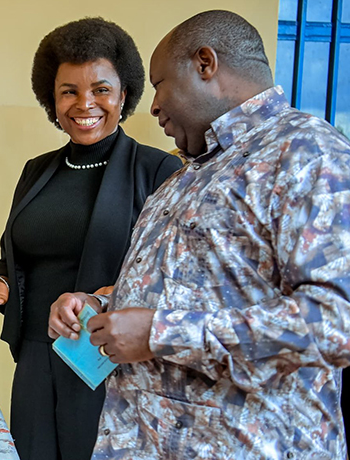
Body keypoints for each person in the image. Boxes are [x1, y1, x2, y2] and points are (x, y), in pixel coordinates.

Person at [48, 10, 350, 459]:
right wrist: (101, 308)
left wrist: (159, 332)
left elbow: (334, 323)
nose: (152, 106)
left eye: (159, 84)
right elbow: (198, 292)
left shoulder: (304, 152)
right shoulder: (188, 175)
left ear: (205, 64)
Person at [0, 18, 181, 460]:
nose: (84, 103)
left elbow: (166, 278)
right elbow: (21, 254)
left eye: (100, 89)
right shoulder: (38, 170)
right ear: (51, 100)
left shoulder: (157, 173)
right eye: (68, 91)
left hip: (107, 361)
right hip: (37, 357)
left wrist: (96, 299)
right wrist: (3, 283)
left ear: (124, 95)